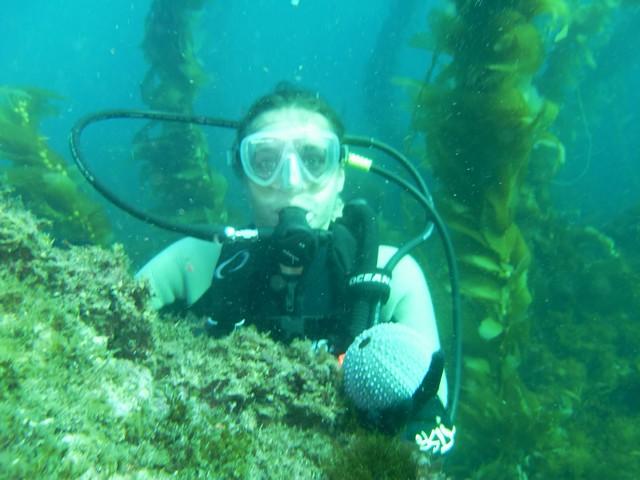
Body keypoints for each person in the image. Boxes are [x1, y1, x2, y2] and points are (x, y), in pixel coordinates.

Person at [136, 83, 452, 452]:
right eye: (266, 162)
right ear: (243, 173)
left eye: (314, 159)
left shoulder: (392, 274)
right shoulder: (195, 262)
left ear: (340, 172)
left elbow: (434, 433)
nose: (290, 182)